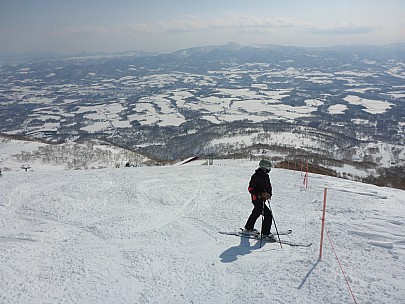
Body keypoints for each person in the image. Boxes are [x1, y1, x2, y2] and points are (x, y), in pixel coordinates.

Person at [243, 159, 274, 239]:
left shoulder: (266, 176)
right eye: (268, 168)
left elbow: (269, 186)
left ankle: (248, 228)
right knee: (268, 215)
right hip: (256, 199)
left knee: (256, 212)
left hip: (262, 199)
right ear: (263, 167)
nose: (269, 169)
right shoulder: (256, 176)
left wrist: (268, 193)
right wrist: (260, 194)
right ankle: (265, 233)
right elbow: (250, 189)